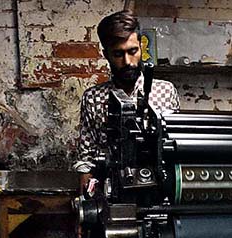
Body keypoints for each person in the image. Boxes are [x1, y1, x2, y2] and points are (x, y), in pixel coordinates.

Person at [73, 10, 180, 195]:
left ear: (141, 47)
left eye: (133, 51)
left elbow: (176, 146)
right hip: (110, 189)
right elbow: (86, 160)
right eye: (118, 54)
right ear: (106, 55)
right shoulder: (93, 98)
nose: (128, 61)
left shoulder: (165, 91)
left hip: (157, 188)